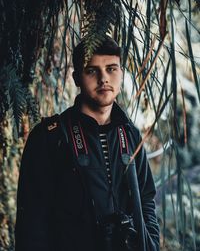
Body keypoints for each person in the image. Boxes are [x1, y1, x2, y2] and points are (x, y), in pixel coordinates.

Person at [15, 35, 160, 251]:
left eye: (111, 68)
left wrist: (151, 242)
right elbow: (32, 221)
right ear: (76, 78)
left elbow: (146, 197)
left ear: (121, 73)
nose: (104, 79)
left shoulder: (130, 135)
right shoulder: (50, 137)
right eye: (92, 70)